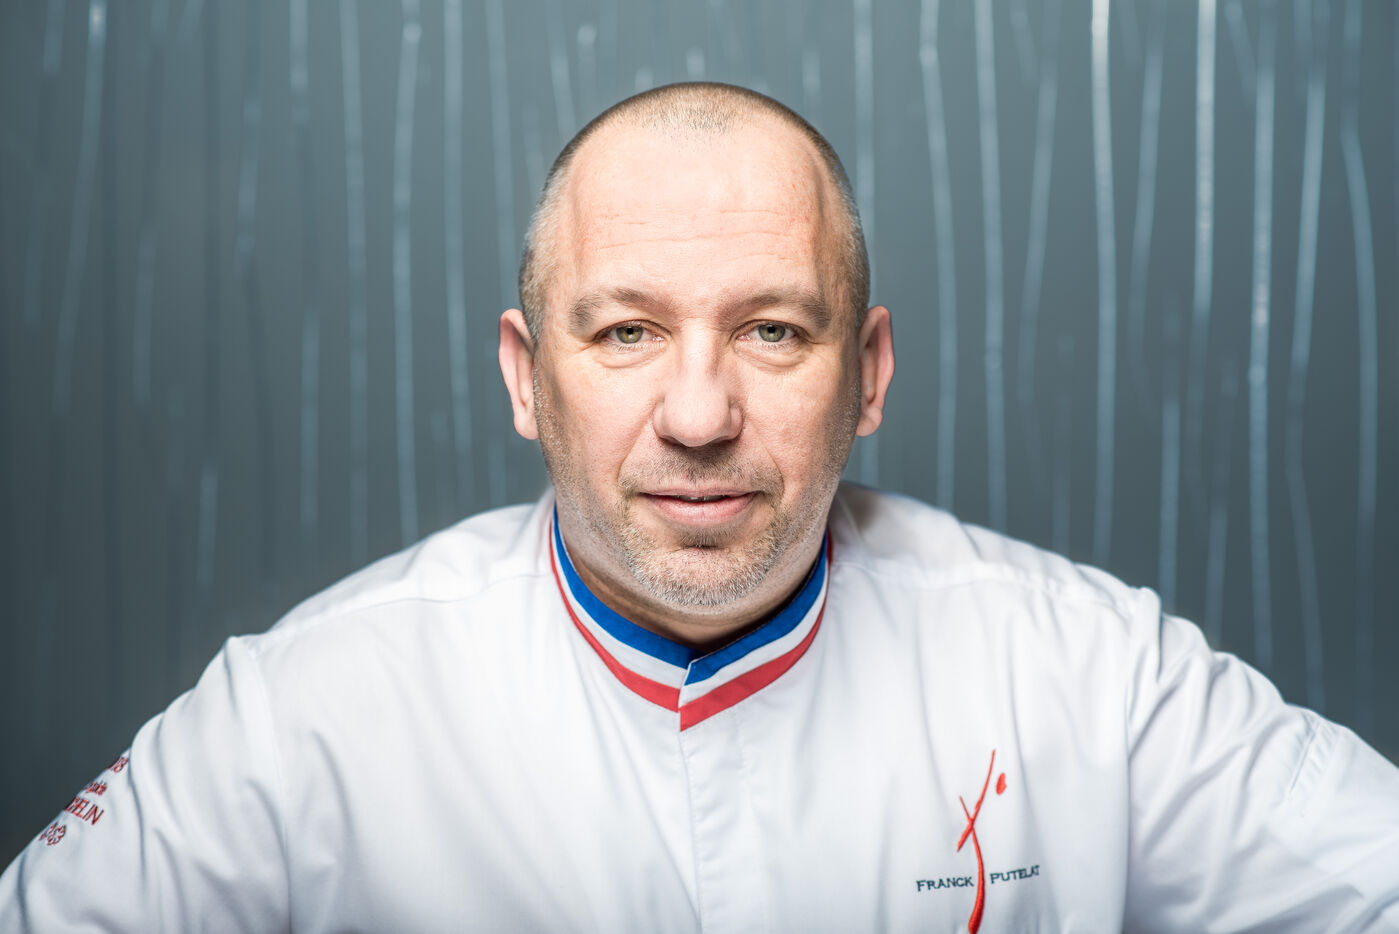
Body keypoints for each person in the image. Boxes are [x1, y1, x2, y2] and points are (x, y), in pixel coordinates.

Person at [3, 81, 1397, 933]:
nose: (697, 412)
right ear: (526, 378)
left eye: (774, 331)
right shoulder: (300, 711)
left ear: (868, 374)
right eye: (624, 333)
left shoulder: (1092, 672)